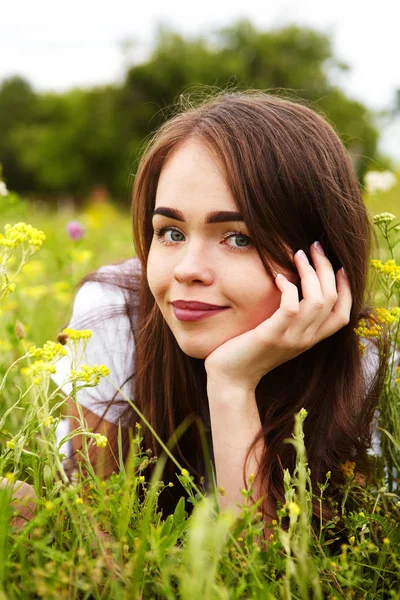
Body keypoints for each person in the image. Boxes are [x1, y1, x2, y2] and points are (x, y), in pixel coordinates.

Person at [51, 90, 389, 532]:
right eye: (170, 232)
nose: (188, 270)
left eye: (238, 238)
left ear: (320, 261)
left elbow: (268, 577)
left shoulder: (366, 365)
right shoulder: (116, 317)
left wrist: (232, 383)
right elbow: (99, 536)